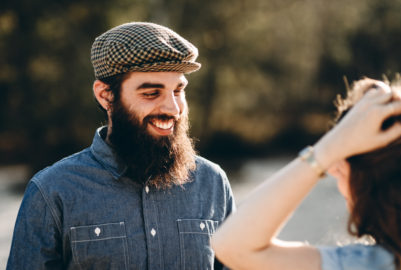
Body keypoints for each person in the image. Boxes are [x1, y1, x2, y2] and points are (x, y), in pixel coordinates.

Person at [7, 22, 235, 270]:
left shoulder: (213, 184)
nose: (173, 108)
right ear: (105, 95)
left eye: (178, 91)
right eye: (151, 93)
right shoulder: (52, 192)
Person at [211, 78, 401, 270]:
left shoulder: (374, 264)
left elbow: (232, 246)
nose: (333, 169)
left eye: (344, 157)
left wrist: (325, 152)